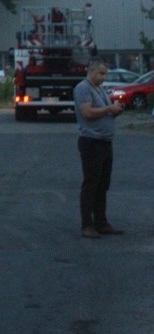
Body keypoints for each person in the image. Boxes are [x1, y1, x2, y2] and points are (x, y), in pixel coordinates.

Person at [73, 58, 125, 239]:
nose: (104, 77)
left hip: (104, 142)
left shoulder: (99, 89)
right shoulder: (83, 88)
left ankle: (101, 223)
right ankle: (87, 225)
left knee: (103, 185)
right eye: (101, 73)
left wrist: (115, 110)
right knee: (91, 184)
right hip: (91, 142)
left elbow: (104, 111)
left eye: (105, 74)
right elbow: (87, 112)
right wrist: (109, 109)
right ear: (91, 71)